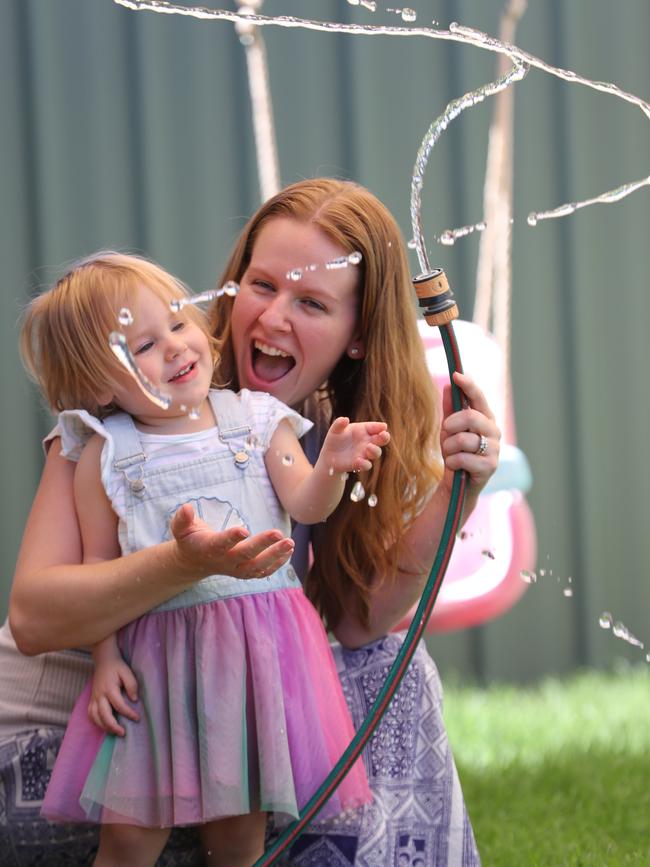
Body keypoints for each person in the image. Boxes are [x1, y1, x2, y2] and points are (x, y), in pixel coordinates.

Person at [5, 178, 500, 866]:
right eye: (261, 285)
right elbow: (32, 617)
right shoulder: (111, 428)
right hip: (72, 733)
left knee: (394, 663)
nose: (271, 319)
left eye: (311, 303)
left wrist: (459, 490)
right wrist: (185, 563)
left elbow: (363, 622)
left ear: (357, 338)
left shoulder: (296, 431)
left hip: (209, 726)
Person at [19, 251, 386, 866]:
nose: (176, 347)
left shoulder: (256, 420)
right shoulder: (106, 455)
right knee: (130, 836)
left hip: (251, 658)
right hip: (154, 665)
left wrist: (331, 466)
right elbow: (96, 569)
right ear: (97, 385)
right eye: (140, 347)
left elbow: (307, 504)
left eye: (178, 321)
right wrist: (106, 661)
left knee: (239, 832)